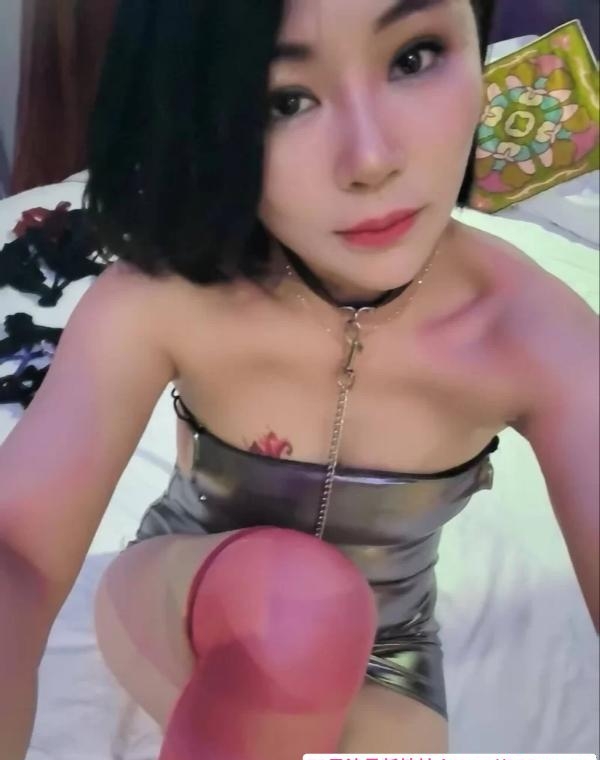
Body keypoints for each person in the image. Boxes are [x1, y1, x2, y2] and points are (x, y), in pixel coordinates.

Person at [0, 0, 598, 757]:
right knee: (298, 601)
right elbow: (18, 548)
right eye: (284, 100)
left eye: (413, 58)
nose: (371, 159)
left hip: (388, 656)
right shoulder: (169, 295)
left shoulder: (541, 337)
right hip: (177, 599)